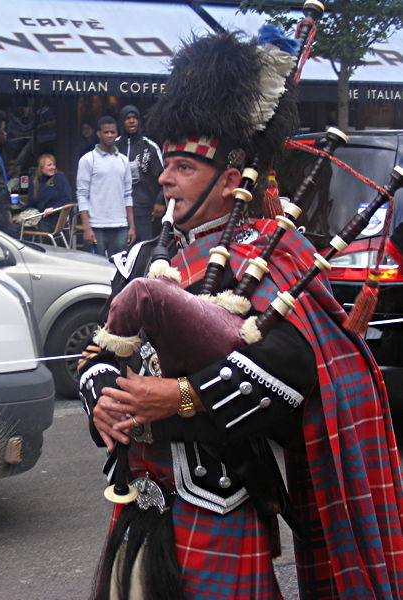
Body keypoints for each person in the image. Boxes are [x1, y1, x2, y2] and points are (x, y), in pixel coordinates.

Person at [79, 30, 403, 600]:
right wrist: (103, 401)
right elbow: (99, 353)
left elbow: (289, 372)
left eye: (182, 167)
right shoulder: (137, 261)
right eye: (167, 164)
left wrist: (177, 398)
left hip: (219, 496)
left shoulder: (274, 257)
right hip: (138, 493)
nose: (165, 178)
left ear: (232, 181)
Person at [76, 115, 135, 259]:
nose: (109, 135)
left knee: (120, 269)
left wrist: (131, 226)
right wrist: (86, 227)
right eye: (106, 132)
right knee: (95, 269)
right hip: (96, 226)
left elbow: (128, 195)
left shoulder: (124, 161)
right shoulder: (87, 160)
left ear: (117, 134)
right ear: (99, 134)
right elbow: (82, 195)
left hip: (120, 225)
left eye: (112, 132)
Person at [117, 105, 165, 241]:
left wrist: (160, 202)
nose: (132, 121)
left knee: (143, 249)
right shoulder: (114, 147)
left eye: (134, 118)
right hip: (119, 210)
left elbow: (162, 176)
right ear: (122, 121)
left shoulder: (149, 146)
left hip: (144, 209)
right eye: (127, 118)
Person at [25, 153, 73, 232]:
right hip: (38, 216)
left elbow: (67, 200)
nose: (53, 167)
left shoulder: (59, 178)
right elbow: (31, 203)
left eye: (54, 165)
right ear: (41, 168)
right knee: (15, 228)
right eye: (49, 165)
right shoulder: (35, 181)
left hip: (54, 218)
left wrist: (53, 208)